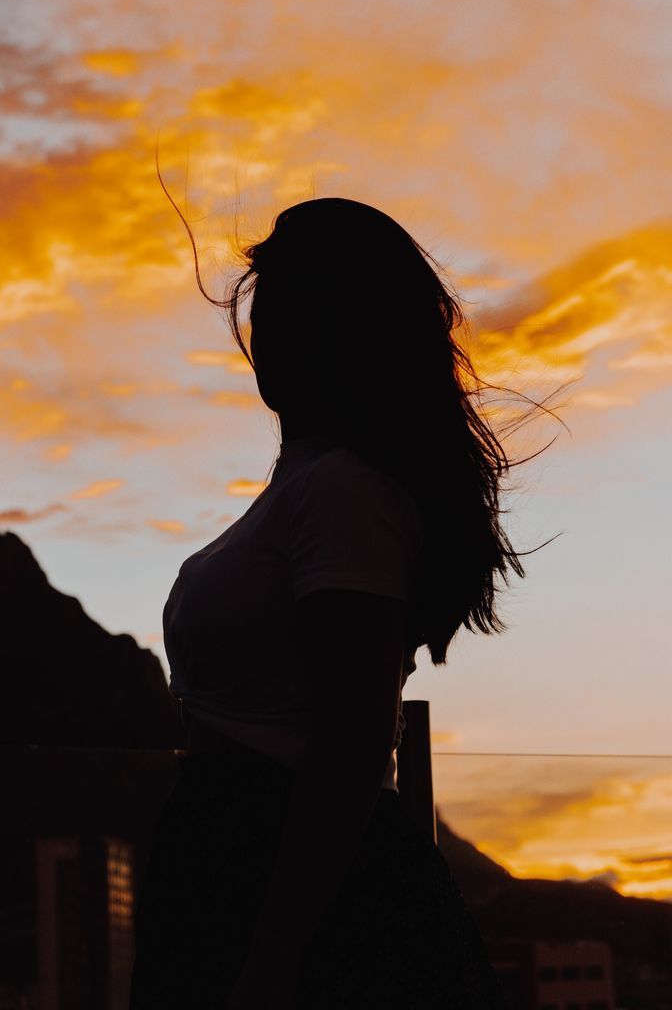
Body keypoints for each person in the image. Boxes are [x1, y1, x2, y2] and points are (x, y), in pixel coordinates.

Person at [129, 196, 565, 1008]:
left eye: (289, 303)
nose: (262, 325)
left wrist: (271, 960)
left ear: (342, 331)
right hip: (235, 861)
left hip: (289, 879)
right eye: (264, 301)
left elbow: (353, 744)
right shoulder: (313, 484)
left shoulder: (341, 494)